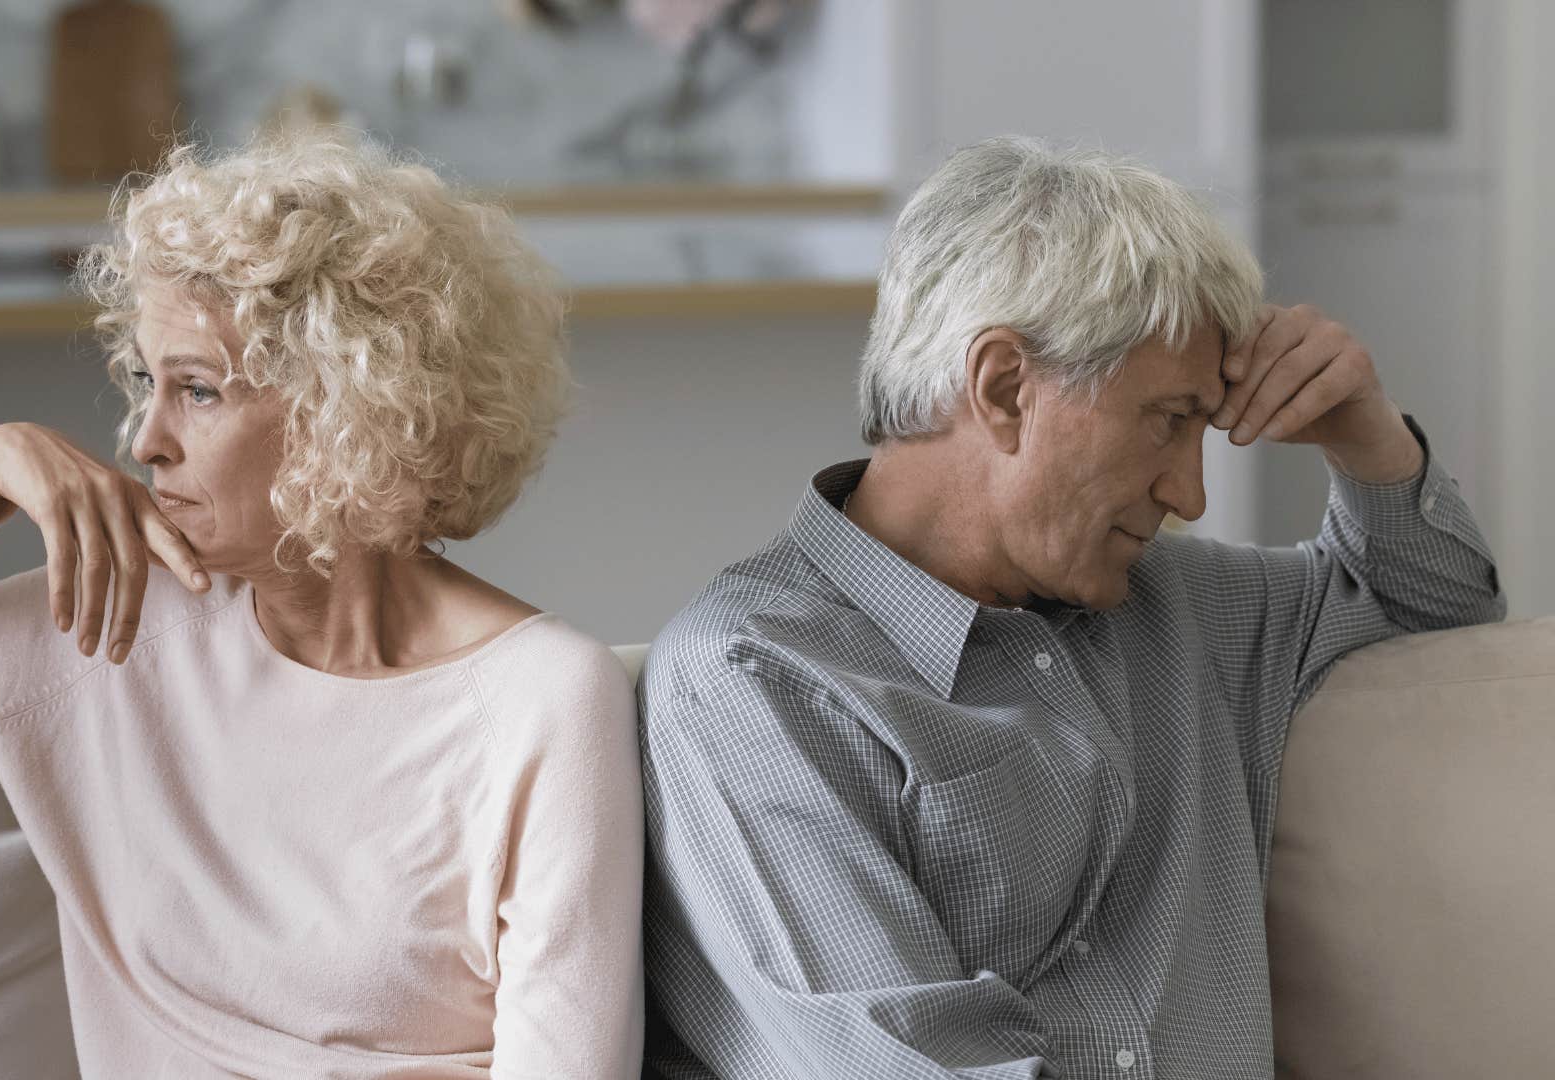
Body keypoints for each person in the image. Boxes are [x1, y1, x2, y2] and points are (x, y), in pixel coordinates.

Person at [0, 130, 644, 1079]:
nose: (145, 440)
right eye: (144, 381)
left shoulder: (542, 699)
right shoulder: (105, 625)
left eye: (198, 391)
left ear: (347, 408)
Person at [637, 137, 1504, 1078]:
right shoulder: (753, 682)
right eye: (1170, 422)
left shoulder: (1188, 610)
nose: (1190, 492)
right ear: (1006, 388)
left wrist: (1367, 438)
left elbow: (1444, 627)